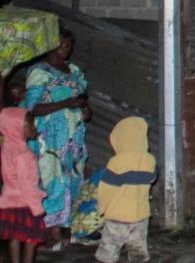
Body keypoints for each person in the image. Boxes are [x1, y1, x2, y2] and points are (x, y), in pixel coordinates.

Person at [21, 28, 91, 251]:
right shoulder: (39, 72)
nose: (66, 50)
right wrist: (66, 104)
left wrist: (86, 111)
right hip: (49, 139)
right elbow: (32, 109)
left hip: (73, 139)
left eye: (69, 45)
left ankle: (61, 228)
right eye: (62, 45)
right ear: (49, 46)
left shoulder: (74, 71)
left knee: (71, 181)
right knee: (52, 181)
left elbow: (83, 101)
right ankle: (47, 233)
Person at [95, 117, 155, 263]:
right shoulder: (150, 160)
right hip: (140, 217)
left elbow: (106, 190)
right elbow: (152, 179)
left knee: (108, 251)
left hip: (117, 217)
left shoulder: (116, 162)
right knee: (138, 251)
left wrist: (101, 209)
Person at [0, 108, 47, 263]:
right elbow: (26, 185)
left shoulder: (6, 148)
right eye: (30, 126)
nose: (34, 129)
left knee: (14, 236)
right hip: (26, 203)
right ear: (16, 129)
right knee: (30, 239)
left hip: (9, 201)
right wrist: (36, 208)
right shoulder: (24, 154)